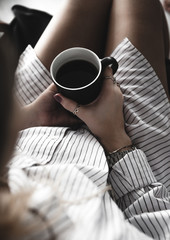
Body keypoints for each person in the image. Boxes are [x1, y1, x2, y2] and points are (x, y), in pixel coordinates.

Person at [0, 0, 170, 239]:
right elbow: (159, 228)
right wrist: (117, 142)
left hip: (22, 131)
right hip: (131, 170)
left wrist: (25, 120)